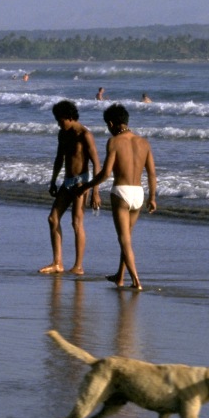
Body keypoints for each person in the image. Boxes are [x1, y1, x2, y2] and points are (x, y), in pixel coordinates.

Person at [76, 103, 156, 290]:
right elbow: (152, 174)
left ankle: (136, 281)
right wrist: (152, 197)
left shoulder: (114, 142)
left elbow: (105, 173)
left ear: (112, 123)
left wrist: (87, 186)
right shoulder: (144, 142)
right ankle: (120, 277)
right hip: (139, 193)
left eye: (107, 125)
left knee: (124, 239)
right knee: (127, 237)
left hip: (121, 192)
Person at [42, 100, 101, 275]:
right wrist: (53, 181)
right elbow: (59, 158)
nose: (58, 124)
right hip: (67, 182)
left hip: (81, 182)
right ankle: (57, 262)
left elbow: (96, 164)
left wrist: (95, 191)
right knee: (53, 219)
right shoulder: (63, 133)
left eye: (60, 120)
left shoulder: (85, 135)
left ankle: (78, 266)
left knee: (76, 222)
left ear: (69, 117)